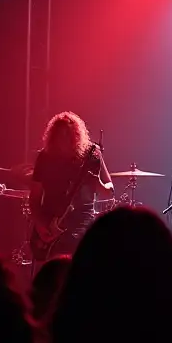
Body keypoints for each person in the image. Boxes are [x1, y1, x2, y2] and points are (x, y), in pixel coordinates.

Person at [29, 111, 113, 259]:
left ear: (76, 136)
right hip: (50, 222)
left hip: (81, 222)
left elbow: (110, 191)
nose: (63, 140)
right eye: (60, 136)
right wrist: (40, 224)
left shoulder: (91, 155)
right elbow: (35, 197)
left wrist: (97, 183)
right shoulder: (45, 157)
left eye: (68, 136)